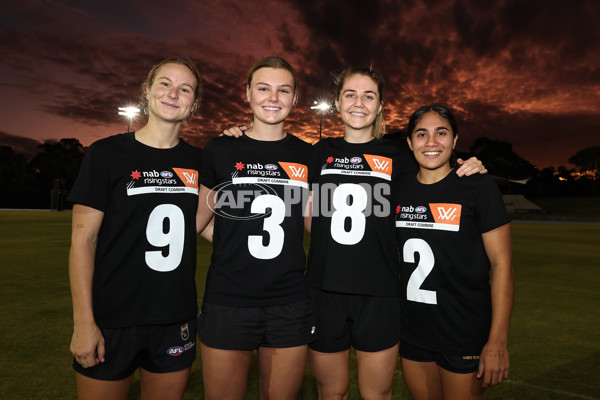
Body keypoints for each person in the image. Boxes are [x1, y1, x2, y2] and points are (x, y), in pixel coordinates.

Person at [305, 68, 487, 400]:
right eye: (350, 95)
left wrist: (469, 164)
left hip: (381, 293)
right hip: (323, 290)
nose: (359, 103)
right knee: (331, 393)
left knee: (378, 394)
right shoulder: (318, 152)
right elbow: (306, 212)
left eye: (368, 96)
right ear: (337, 102)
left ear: (380, 106)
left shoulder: (398, 156)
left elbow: (435, 165)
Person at [68, 57, 203, 400]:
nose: (174, 93)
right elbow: (83, 241)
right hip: (113, 316)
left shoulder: (200, 163)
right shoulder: (106, 154)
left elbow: (209, 227)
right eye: (165, 84)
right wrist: (84, 322)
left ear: (194, 103)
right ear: (147, 91)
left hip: (175, 316)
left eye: (185, 88)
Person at [195, 56, 315, 400]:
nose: (273, 97)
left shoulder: (307, 156)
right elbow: (198, 220)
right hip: (228, 298)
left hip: (289, 300)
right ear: (247, 93)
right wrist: (226, 238)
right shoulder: (220, 148)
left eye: (283, 90)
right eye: (263, 88)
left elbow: (314, 225)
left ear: (295, 98)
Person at [394, 105, 513, 400]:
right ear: (409, 142)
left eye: (441, 133)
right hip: (413, 332)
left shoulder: (477, 186)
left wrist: (496, 342)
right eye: (421, 134)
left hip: (464, 332)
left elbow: (502, 265)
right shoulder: (398, 188)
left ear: (455, 139)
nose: (431, 142)